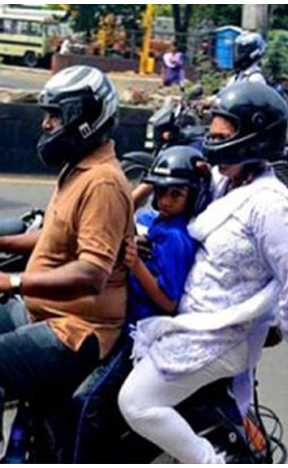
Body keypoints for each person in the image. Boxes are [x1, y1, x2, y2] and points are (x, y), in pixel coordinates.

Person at [117, 82, 288, 464]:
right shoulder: (225, 182)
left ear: (254, 139)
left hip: (221, 335)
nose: (212, 144)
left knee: (136, 401)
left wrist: (280, 329)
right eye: (211, 135)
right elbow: (175, 186)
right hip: (192, 321)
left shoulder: (273, 207)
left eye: (221, 136)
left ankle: (211, 461)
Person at [0, 65, 134, 463]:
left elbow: (92, 274)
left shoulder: (103, 183)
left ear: (84, 118)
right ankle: (9, 436)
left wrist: (11, 281)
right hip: (45, 311)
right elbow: (54, 236)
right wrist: (0, 243)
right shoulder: (78, 170)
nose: (47, 124)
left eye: (56, 116)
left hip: (78, 331)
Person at [67, 146, 211, 462]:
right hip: (118, 319)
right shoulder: (154, 221)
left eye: (176, 194)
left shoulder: (176, 238)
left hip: (139, 335)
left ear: (193, 196)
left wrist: (136, 266)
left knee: (85, 402)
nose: (166, 201)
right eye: (161, 193)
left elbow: (168, 301)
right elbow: (124, 213)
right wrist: (149, 180)